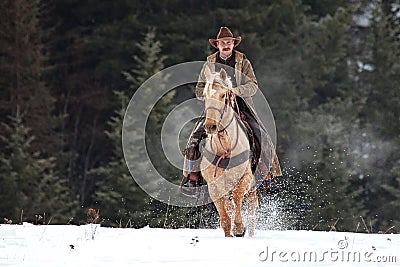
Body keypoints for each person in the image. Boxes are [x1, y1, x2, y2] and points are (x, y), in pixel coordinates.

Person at [181, 26, 282, 194]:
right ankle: (192, 177)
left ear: (233, 44)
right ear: (217, 45)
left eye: (229, 42)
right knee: (194, 138)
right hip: (215, 107)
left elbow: (253, 86)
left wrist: (235, 91)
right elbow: (199, 89)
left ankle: (266, 176)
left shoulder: (244, 62)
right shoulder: (209, 63)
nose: (226, 45)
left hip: (240, 105)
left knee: (260, 136)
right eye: (222, 43)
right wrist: (208, 92)